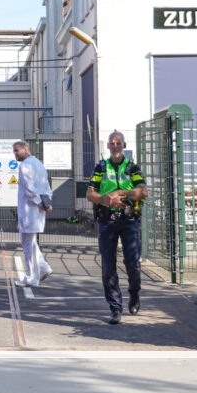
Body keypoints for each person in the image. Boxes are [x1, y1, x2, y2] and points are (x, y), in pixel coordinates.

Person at [86, 130, 148, 325]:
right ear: (108, 146)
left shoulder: (132, 168)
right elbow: (90, 194)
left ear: (124, 145)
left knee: (132, 263)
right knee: (108, 265)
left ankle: (134, 294)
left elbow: (143, 192)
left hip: (129, 221)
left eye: (118, 143)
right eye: (112, 143)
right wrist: (105, 199)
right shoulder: (101, 168)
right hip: (107, 220)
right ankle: (115, 308)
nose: (115, 146)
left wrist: (122, 193)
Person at [12, 140, 53, 288]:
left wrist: (41, 203)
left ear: (25, 149)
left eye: (17, 150)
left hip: (29, 210)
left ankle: (31, 277)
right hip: (38, 210)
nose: (15, 154)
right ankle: (42, 267)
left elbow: (29, 189)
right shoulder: (39, 164)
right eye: (14, 151)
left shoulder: (25, 166)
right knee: (30, 241)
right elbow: (47, 186)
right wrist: (47, 203)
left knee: (27, 243)